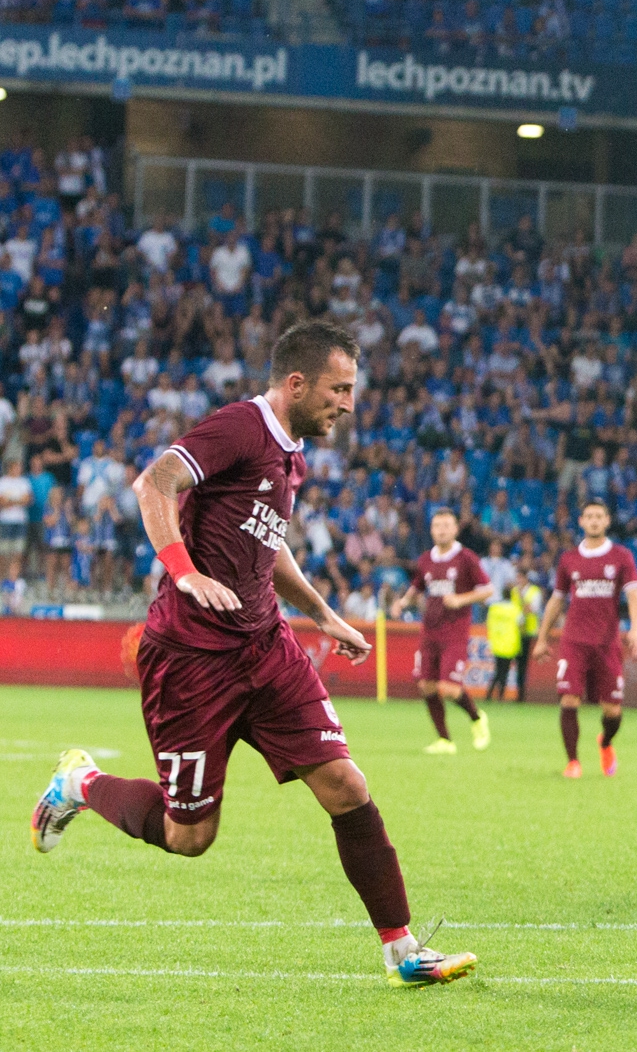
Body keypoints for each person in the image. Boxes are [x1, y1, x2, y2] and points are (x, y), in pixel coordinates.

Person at [30, 321, 477, 987]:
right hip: (190, 660)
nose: (348, 403)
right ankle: (81, 784)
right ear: (297, 382)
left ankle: (402, 949)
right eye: (340, 388)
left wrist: (324, 614)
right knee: (190, 836)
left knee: (347, 786)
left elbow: (271, 546)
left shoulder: (290, 452)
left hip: (266, 649)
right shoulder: (241, 426)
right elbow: (154, 484)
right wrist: (182, 571)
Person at [532, 500, 637, 778]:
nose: (594, 521)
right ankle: (573, 762)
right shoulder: (569, 559)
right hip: (574, 641)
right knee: (569, 699)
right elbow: (556, 601)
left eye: (600, 516)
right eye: (589, 516)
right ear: (580, 521)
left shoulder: (621, 556)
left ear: (607, 521)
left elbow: (633, 595)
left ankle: (605, 742)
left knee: (612, 710)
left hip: (607, 643)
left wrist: (636, 629)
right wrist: (542, 638)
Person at [387, 510, 495, 755]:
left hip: (455, 632)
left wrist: (460, 599)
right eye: (437, 526)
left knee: (449, 689)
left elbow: (487, 589)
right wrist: (403, 603)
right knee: (426, 686)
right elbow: (417, 587)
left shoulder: (466, 558)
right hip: (429, 631)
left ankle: (477, 718)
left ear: (456, 529)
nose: (441, 530)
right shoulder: (426, 559)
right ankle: (445, 740)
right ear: (431, 530)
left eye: (447, 525)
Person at [484, 572, 526, 703]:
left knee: (497, 670)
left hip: (497, 643)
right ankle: (500, 696)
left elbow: (488, 623)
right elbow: (522, 624)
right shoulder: (515, 609)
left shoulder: (494, 608)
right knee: (505, 672)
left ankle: (489, 695)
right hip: (510, 644)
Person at [513, 569, 545, 702]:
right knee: (515, 663)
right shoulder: (514, 591)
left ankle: (522, 695)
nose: (518, 581)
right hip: (514, 632)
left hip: (529, 632)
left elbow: (533, 609)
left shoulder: (534, 592)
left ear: (526, 578)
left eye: (520, 578)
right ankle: (516, 692)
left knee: (524, 664)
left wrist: (521, 599)